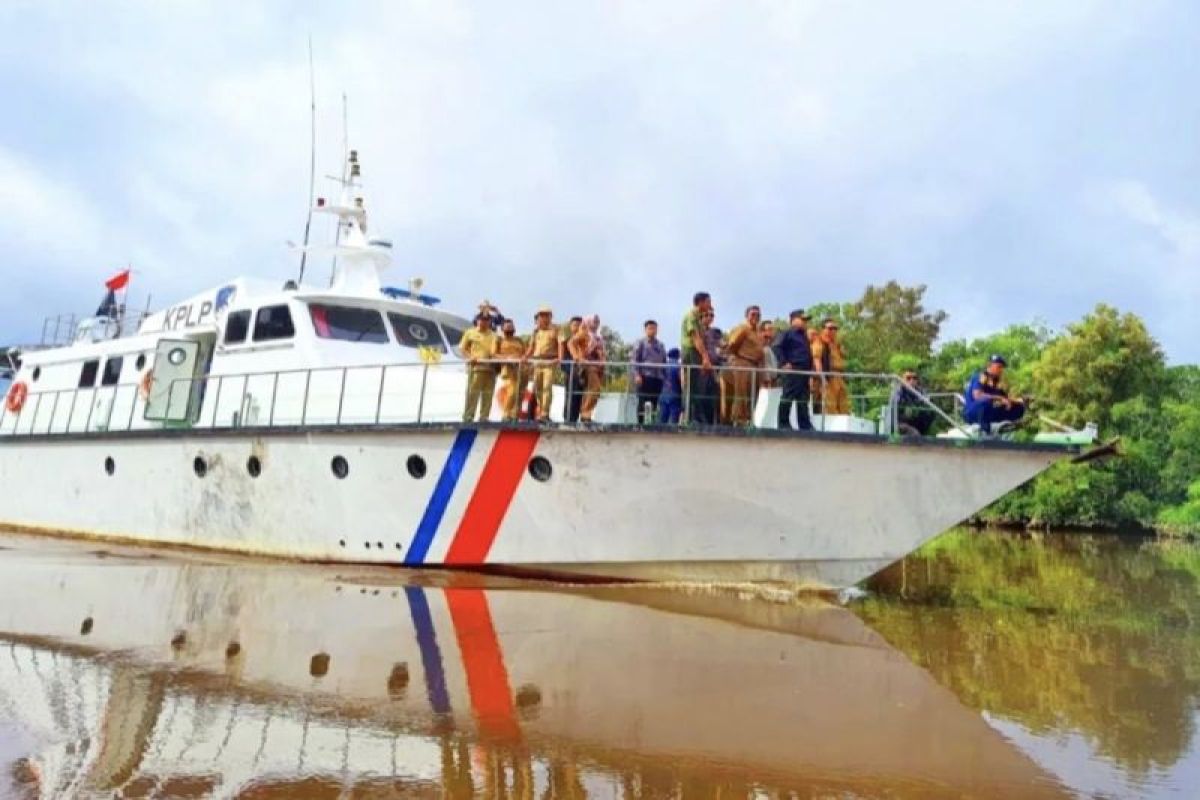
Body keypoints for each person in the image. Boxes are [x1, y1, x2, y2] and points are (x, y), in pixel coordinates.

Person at [725, 305, 766, 425]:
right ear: (747, 316)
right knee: (741, 393)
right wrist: (736, 359)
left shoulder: (758, 332)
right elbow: (732, 345)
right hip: (743, 363)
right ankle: (738, 419)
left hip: (755, 366)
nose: (755, 317)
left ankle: (749, 419)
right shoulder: (742, 328)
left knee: (754, 394)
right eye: (753, 314)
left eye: (758, 315)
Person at [773, 309, 814, 430]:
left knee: (803, 399)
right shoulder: (787, 333)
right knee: (788, 397)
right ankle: (783, 424)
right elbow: (776, 347)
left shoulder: (804, 336)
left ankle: (805, 424)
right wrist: (783, 363)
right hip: (792, 370)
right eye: (803, 319)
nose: (805, 322)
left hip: (804, 372)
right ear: (793, 320)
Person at [680, 292, 717, 425]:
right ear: (700, 302)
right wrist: (705, 358)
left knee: (696, 387)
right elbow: (696, 338)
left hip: (696, 354)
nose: (710, 305)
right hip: (690, 352)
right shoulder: (691, 316)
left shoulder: (697, 317)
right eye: (708, 302)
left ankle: (695, 417)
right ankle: (689, 417)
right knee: (690, 386)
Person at [964, 355, 1026, 434]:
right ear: (990, 366)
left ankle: (1008, 427)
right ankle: (985, 432)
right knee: (985, 401)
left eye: (1002, 367)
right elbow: (978, 396)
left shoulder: (997, 382)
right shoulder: (981, 376)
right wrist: (1000, 398)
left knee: (1018, 406)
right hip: (973, 412)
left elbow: (1005, 398)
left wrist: (1018, 400)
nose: (1001, 370)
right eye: (999, 367)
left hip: (988, 412)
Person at [459, 311, 499, 422]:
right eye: (482, 319)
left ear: (490, 322)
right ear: (477, 320)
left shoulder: (494, 335)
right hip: (476, 368)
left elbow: (495, 352)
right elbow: (462, 348)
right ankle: (468, 417)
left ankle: (484, 417)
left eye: (487, 320)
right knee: (472, 393)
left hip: (490, 369)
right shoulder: (470, 332)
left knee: (488, 394)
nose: (484, 322)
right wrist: (470, 357)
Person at [568, 314, 606, 424]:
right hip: (587, 365)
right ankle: (585, 415)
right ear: (588, 322)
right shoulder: (584, 333)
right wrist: (577, 357)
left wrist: (603, 361)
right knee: (594, 388)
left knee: (595, 391)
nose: (596, 324)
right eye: (594, 322)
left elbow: (601, 351)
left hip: (598, 367)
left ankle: (586, 415)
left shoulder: (598, 336)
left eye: (597, 322)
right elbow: (571, 343)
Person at [525, 305, 558, 423]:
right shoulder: (535, 332)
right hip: (537, 361)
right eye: (541, 315)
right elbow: (531, 347)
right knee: (538, 388)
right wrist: (525, 357)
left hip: (550, 361)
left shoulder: (555, 329)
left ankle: (545, 414)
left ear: (550, 317)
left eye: (546, 315)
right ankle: (541, 411)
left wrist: (559, 357)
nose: (543, 318)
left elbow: (560, 345)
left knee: (547, 387)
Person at [811, 317, 849, 415]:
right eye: (830, 328)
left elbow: (844, 356)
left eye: (835, 328)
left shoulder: (836, 343)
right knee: (830, 407)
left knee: (843, 406)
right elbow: (817, 360)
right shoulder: (819, 342)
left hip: (839, 377)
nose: (833, 331)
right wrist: (823, 378)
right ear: (823, 329)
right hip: (829, 378)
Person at [632, 320, 667, 424]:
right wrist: (637, 375)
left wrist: (664, 377)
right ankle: (640, 424)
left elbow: (664, 361)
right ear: (645, 330)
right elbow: (634, 360)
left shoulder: (660, 345)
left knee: (654, 401)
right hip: (644, 376)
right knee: (643, 401)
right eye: (650, 328)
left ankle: (651, 423)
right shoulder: (640, 343)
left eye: (654, 328)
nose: (653, 330)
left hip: (657, 377)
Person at [496, 317, 527, 422]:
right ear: (502, 328)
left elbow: (525, 353)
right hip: (507, 368)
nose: (510, 328)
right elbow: (493, 354)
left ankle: (515, 415)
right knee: (512, 391)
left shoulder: (518, 340)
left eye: (512, 326)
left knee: (520, 392)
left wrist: (523, 358)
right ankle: (506, 414)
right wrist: (507, 358)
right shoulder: (499, 340)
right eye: (508, 327)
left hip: (521, 368)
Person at [890, 370, 936, 435]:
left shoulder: (920, 392)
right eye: (908, 378)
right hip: (899, 423)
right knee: (915, 433)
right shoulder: (898, 392)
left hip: (915, 423)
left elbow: (929, 404)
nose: (912, 380)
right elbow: (895, 408)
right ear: (902, 380)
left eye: (914, 378)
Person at [559, 316, 584, 423]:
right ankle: (568, 418)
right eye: (575, 325)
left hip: (582, 372)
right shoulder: (567, 340)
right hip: (571, 370)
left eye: (580, 325)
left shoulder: (583, 341)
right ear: (570, 327)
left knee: (580, 395)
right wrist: (569, 369)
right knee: (570, 395)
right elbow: (562, 358)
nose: (577, 327)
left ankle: (576, 417)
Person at [658, 348, 683, 424]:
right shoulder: (679, 366)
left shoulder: (664, 366)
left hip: (663, 395)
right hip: (675, 395)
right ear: (678, 356)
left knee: (662, 420)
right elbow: (682, 381)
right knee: (673, 422)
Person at [759, 320, 779, 388]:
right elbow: (764, 363)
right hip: (765, 381)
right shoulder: (762, 346)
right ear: (762, 331)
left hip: (774, 378)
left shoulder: (774, 343)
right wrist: (767, 379)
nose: (772, 331)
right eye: (769, 329)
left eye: (772, 329)